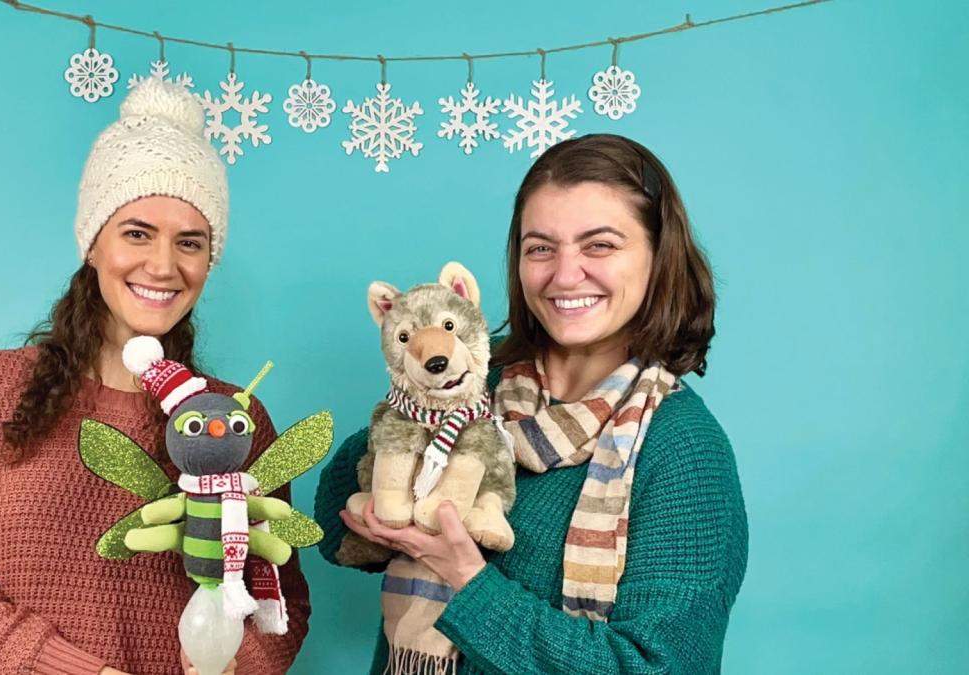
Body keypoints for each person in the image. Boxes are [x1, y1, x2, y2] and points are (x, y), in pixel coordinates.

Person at [0, 78, 309, 675]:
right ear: (93, 243)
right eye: (137, 232)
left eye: (190, 242)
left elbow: (283, 600)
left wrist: (239, 667)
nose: (163, 265)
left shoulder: (233, 417)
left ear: (208, 260)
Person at [315, 134, 748, 673]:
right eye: (540, 247)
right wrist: (416, 419)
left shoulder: (684, 450)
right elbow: (332, 529)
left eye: (600, 245)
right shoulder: (476, 371)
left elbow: (659, 667)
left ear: (659, 257)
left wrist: (468, 580)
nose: (564, 276)